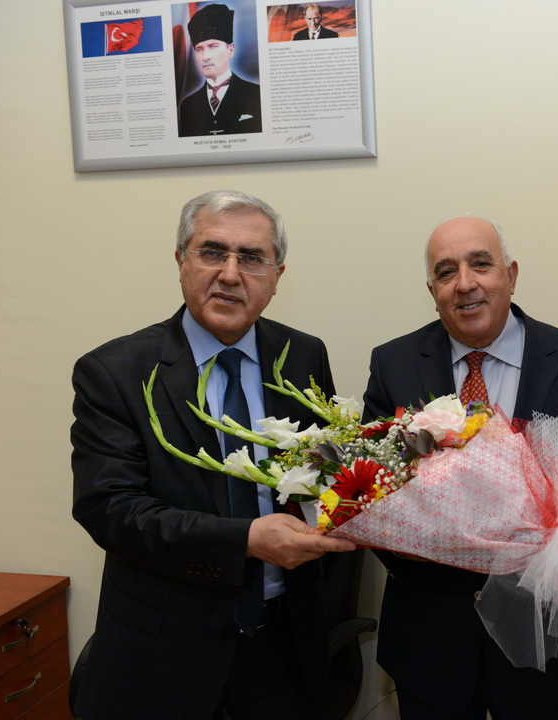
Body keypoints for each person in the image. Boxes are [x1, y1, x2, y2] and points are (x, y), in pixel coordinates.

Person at [71, 190, 355, 720]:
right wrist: (246, 540)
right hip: (163, 657)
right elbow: (110, 510)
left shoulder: (303, 356)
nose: (230, 274)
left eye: (251, 258)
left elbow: (324, 475)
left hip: (283, 650)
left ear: (277, 275)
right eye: (212, 252)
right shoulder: (115, 371)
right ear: (181, 261)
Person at [362, 215, 558, 720]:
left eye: (481, 264)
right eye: (446, 272)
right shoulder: (392, 363)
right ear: (433, 291)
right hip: (429, 638)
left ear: (511, 275)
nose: (465, 284)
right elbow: (371, 490)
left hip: (539, 641)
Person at [178, 3, 262, 137]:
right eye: (199, 49)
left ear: (231, 50)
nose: (205, 57)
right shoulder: (188, 105)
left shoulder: (256, 94)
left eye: (213, 46)